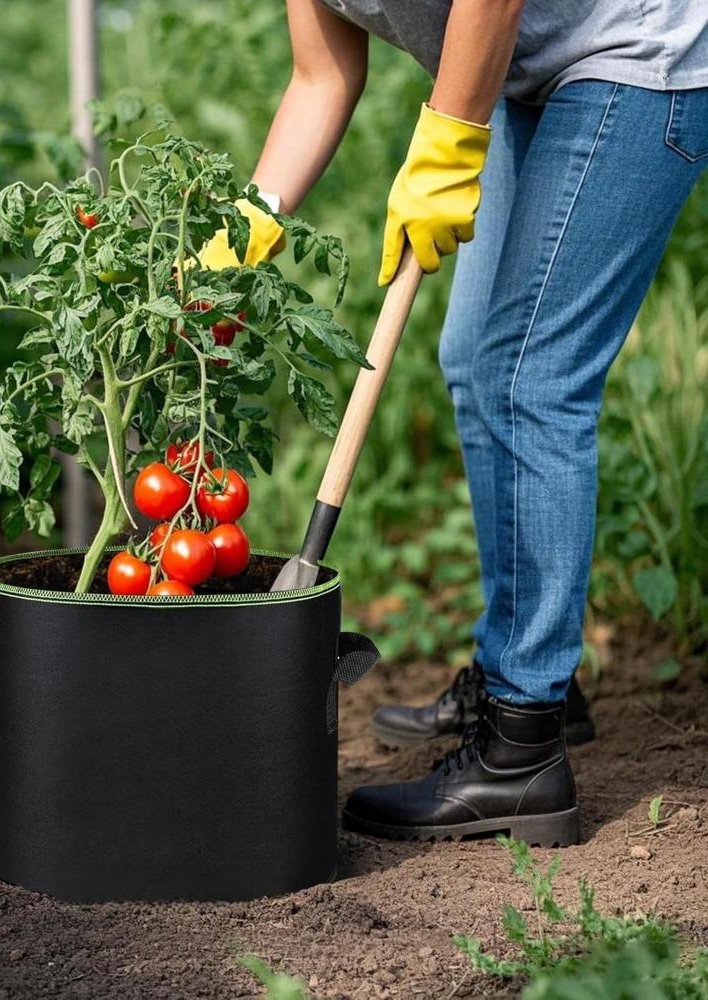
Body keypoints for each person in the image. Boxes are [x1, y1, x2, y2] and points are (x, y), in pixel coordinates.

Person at [201, 0, 708, 846]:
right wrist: (245, 232)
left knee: (530, 377)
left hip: (637, 53)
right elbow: (321, 75)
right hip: (522, 74)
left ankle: (522, 752)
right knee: (478, 362)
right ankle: (536, 671)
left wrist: (448, 142)